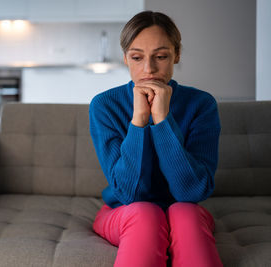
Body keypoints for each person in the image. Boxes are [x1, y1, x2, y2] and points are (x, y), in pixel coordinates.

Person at [89, 11, 223, 267]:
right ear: (126, 58)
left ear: (177, 55)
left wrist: (162, 119)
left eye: (160, 57)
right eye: (137, 57)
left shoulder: (201, 105)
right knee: (145, 213)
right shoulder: (104, 106)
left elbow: (192, 192)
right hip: (124, 211)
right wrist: (138, 120)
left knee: (184, 213)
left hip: (185, 211)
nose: (148, 69)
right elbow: (129, 194)